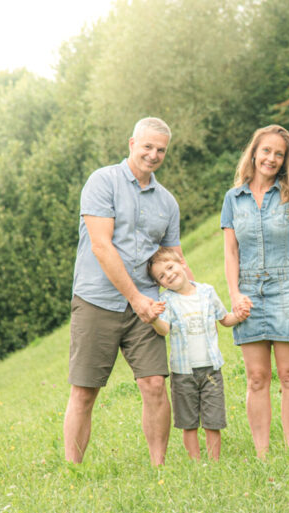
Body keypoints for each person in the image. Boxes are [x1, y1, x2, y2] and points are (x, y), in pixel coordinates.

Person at [63, 117, 193, 466]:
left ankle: (158, 468)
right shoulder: (102, 182)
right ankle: (74, 469)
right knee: (85, 390)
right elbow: (102, 247)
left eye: (161, 150)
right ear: (131, 143)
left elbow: (175, 258)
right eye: (148, 146)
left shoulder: (167, 202)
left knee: (154, 384)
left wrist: (201, 300)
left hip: (148, 306)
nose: (153, 155)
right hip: (97, 301)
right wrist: (136, 299)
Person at [220, 124, 289, 459]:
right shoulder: (232, 199)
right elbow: (231, 252)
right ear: (254, 152)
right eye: (266, 151)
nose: (271, 158)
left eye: (279, 154)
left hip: (288, 290)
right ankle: (263, 454)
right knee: (256, 377)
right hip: (249, 292)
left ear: (285, 161)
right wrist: (235, 294)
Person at [146, 247, 247, 461]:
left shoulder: (207, 292)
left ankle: (214, 461)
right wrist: (154, 319)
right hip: (183, 373)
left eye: (170, 268)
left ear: (182, 263)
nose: (169, 275)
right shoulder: (167, 301)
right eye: (162, 276)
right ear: (161, 284)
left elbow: (225, 319)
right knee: (188, 422)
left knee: (213, 420)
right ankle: (196, 462)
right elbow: (164, 330)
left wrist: (239, 315)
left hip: (211, 368)